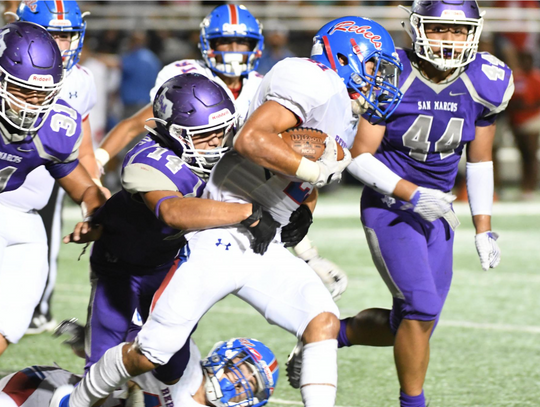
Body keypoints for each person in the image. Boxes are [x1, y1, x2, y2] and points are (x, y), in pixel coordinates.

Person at [52, 16, 402, 407]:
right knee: (149, 353)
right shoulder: (312, 78)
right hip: (217, 238)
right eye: (373, 66)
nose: (378, 78)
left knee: (323, 321)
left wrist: (304, 217)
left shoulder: (337, 104)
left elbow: (291, 172)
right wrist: (314, 171)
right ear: (344, 56)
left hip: (262, 243)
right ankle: (76, 400)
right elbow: (253, 140)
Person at [288, 2, 514, 407]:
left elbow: (480, 160)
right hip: (391, 205)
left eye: (459, 31)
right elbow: (360, 155)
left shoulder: (486, 80)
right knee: (422, 308)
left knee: (410, 326)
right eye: (440, 29)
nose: (450, 40)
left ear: (474, 33)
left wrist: (484, 228)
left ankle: (325, 335)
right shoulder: (390, 71)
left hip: (440, 212)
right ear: (417, 28)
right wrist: (412, 193)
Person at [92, 3, 350, 302]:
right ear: (207, 44)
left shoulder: (262, 88)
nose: (233, 49)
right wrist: (96, 164)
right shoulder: (189, 77)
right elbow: (135, 124)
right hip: (180, 178)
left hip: (227, 184)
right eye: (224, 41)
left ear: (257, 46)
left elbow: (278, 168)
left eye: (242, 42)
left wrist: (307, 252)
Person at [64, 73, 278, 383]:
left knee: (169, 370)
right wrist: (247, 212)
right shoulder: (146, 159)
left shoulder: (223, 150)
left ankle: (127, 341)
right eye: (204, 135)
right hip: (121, 264)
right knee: (102, 368)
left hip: (170, 264)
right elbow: (172, 212)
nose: (216, 143)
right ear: (172, 132)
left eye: (221, 132)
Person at [0, 21, 106, 358]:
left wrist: (96, 215)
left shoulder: (55, 124)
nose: (32, 104)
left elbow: (85, 188)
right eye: (21, 91)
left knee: (9, 321)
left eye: (42, 94)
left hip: (19, 222)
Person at [0, 335, 278, 407]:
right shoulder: (185, 356)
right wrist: (92, 342)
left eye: (249, 387)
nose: (239, 384)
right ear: (224, 357)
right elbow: (126, 350)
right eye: (241, 371)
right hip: (44, 394)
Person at [507, 51, 540, 200]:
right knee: (523, 153)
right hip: (517, 119)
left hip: (532, 119)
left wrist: (527, 106)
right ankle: (524, 185)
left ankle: (530, 186)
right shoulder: (517, 78)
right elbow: (510, 98)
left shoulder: (536, 78)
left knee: (530, 153)